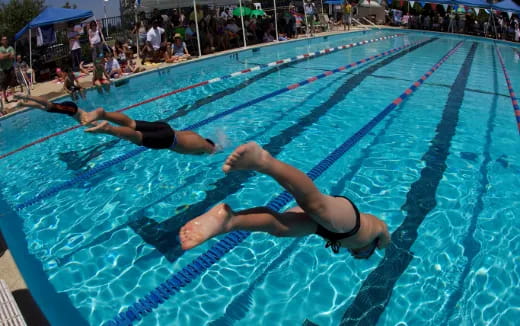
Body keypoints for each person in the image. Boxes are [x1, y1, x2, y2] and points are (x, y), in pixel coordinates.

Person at [179, 142, 391, 259]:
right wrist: (383, 244)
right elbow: (385, 234)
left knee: (280, 227)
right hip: (348, 222)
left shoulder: (356, 242)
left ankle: (230, 220)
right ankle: (264, 162)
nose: (357, 254)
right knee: (315, 206)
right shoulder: (376, 231)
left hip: (323, 229)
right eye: (362, 254)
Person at [14, 95, 218, 154]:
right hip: (169, 139)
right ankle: (108, 128)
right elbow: (211, 148)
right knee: (137, 138)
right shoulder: (203, 147)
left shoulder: (193, 134)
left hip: (166, 127)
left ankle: (105, 114)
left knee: (131, 123)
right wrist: (215, 150)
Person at [0, 36, 15, 104]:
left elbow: (13, 56)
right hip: (3, 69)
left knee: (12, 82)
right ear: (1, 41)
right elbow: (1, 57)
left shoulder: (11, 47)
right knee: (4, 85)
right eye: (4, 40)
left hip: (10, 67)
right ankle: (5, 99)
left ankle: (14, 96)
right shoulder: (0, 49)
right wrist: (8, 54)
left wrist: (5, 55)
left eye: (6, 39)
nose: (5, 40)